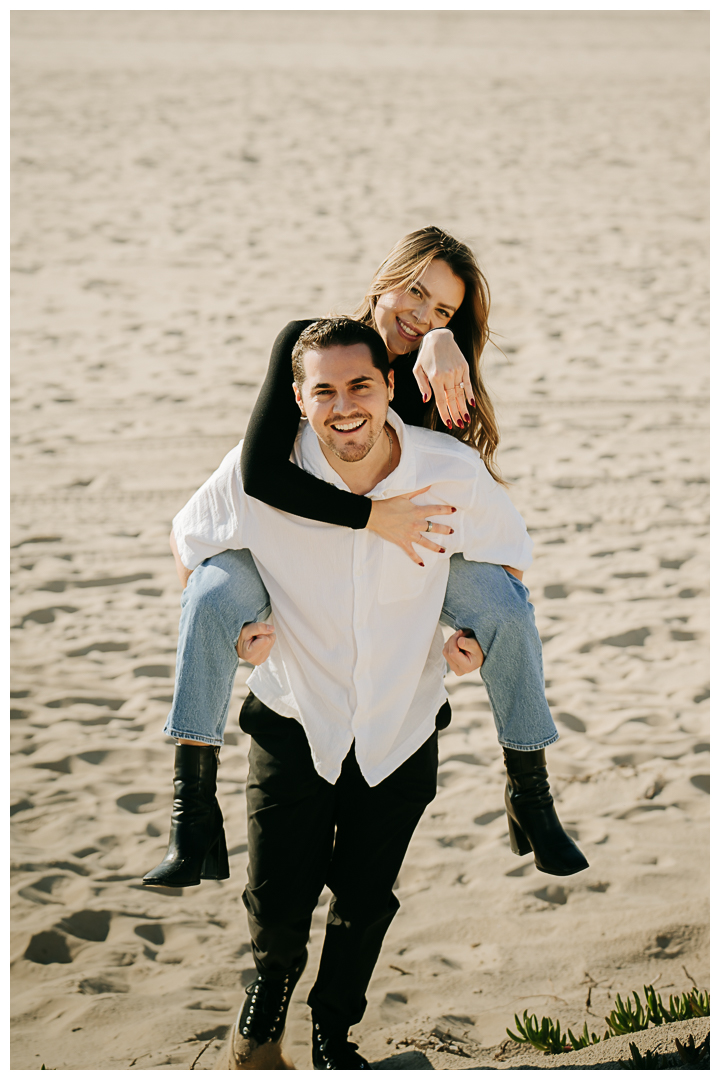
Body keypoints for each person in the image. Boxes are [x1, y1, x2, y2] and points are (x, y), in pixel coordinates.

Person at [153, 319, 584, 1069]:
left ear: (390, 386)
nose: (343, 406)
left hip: (401, 722)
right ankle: (271, 990)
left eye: (360, 386)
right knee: (277, 898)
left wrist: (476, 635)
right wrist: (241, 623)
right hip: (294, 718)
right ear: (297, 397)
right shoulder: (259, 472)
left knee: (365, 899)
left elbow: (508, 564)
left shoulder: (446, 470)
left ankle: (333, 1030)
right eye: (323, 390)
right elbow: (192, 551)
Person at [145, 226, 588, 898]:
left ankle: (530, 791)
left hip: (404, 554)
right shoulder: (314, 346)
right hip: (292, 535)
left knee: (505, 607)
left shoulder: (440, 370)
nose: (422, 316)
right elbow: (262, 473)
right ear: (387, 276)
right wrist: (372, 515)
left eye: (442, 310)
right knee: (208, 596)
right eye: (415, 292)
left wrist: (468, 636)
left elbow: (475, 509)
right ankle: (191, 814)